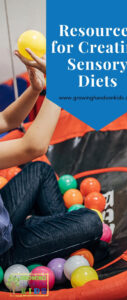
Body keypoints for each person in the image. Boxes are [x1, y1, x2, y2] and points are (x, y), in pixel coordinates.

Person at [0, 51, 103, 270]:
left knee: (40, 171)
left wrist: (35, 89)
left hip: (4, 217)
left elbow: (7, 119)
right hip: (3, 250)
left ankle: (51, 235)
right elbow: (33, 146)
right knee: (91, 223)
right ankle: (47, 233)